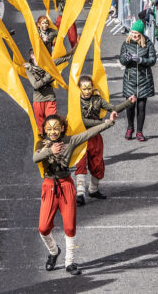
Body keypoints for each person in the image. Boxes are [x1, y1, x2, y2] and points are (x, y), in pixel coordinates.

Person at [33, 114, 115, 275]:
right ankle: (54, 251)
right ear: (45, 130)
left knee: (70, 226)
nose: (53, 132)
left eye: (56, 128)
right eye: (49, 129)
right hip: (49, 186)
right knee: (43, 228)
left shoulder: (70, 141)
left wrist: (109, 122)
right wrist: (50, 150)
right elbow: (35, 158)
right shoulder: (41, 143)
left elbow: (89, 133)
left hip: (66, 186)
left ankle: (69, 262)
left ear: (62, 128)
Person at [74, 75, 133, 206]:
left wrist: (129, 102)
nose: (87, 91)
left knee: (97, 163)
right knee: (81, 163)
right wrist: (102, 123)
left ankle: (93, 190)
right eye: (84, 88)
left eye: (89, 88)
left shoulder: (97, 100)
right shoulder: (75, 102)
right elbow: (83, 121)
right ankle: (80, 193)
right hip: (81, 136)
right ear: (79, 89)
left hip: (95, 137)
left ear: (93, 87)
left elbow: (113, 109)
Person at [119, 20, 156, 140]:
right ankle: (130, 127)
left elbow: (152, 60)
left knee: (141, 107)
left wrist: (141, 60)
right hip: (130, 79)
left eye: (137, 34)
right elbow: (122, 60)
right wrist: (127, 58)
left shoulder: (148, 43)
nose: (134, 36)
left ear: (141, 34)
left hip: (144, 79)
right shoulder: (126, 43)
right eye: (133, 33)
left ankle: (139, 132)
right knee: (130, 106)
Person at [26, 50, 71, 131]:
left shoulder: (48, 63)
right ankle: (46, 142)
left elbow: (64, 58)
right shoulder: (29, 69)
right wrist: (49, 74)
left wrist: (76, 48)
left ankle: (54, 140)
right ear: (32, 55)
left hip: (50, 98)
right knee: (42, 128)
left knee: (52, 122)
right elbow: (36, 85)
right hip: (38, 101)